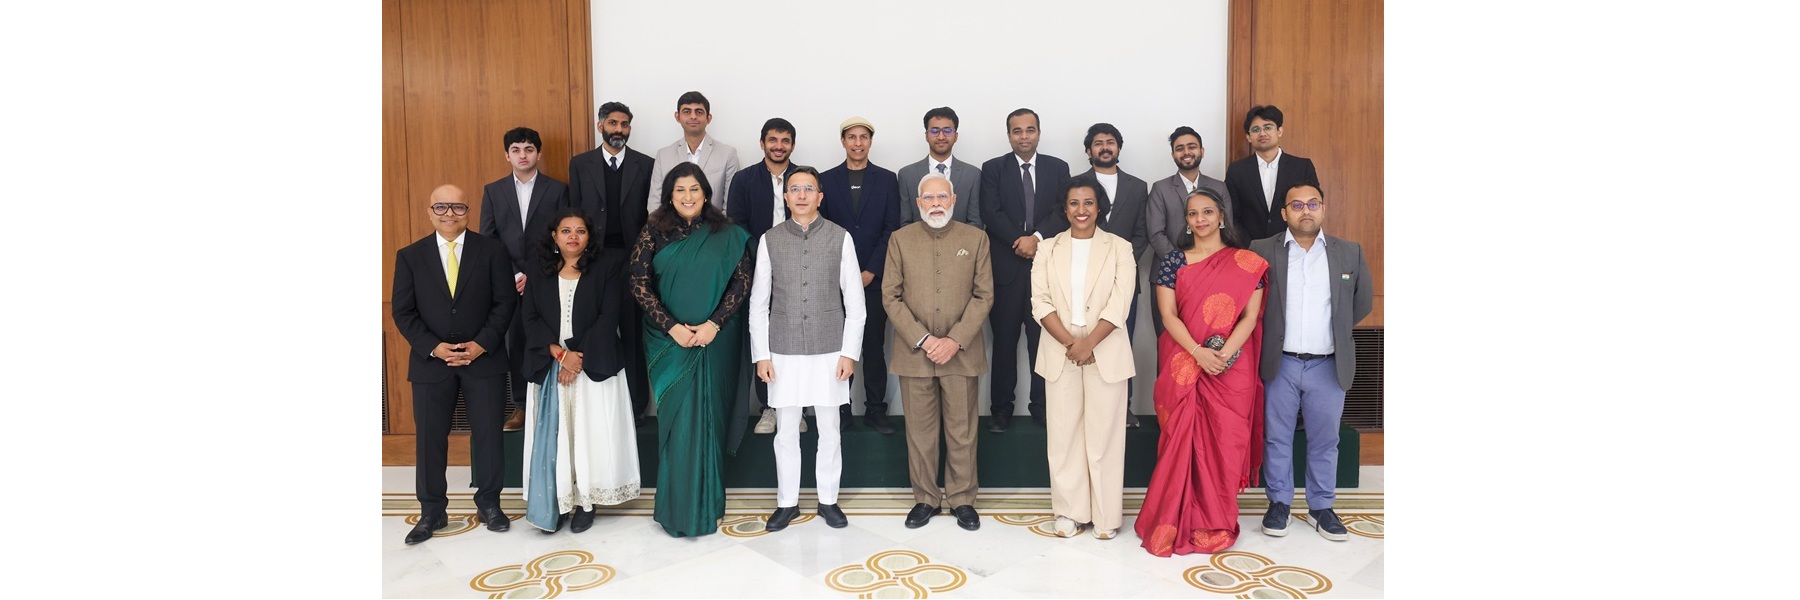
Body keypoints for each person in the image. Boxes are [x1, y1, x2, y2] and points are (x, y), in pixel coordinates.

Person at [1135, 187, 1270, 556]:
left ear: (1222, 216)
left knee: (1224, 445)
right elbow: (1168, 316)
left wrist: (1223, 353)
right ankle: (1171, 521)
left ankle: (1216, 521)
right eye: (1193, 214)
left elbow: (1250, 316)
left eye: (1207, 212)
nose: (1200, 220)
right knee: (1180, 442)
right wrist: (1198, 353)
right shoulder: (1174, 261)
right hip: (1184, 364)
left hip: (1231, 367)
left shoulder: (1247, 262)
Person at [628, 161, 753, 538]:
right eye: (680, 190)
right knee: (679, 422)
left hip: (716, 341)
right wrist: (673, 328)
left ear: (706, 194)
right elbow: (638, 283)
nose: (687, 197)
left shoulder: (727, 233)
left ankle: (709, 504)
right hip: (669, 342)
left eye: (694, 190)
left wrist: (714, 324)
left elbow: (741, 282)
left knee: (709, 419)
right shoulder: (653, 232)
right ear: (669, 194)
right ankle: (676, 509)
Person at [392, 184, 517, 544]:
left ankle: (490, 504)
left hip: (484, 360)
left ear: (468, 211)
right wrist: (434, 347)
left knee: (489, 436)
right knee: (430, 440)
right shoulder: (410, 256)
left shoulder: (492, 251)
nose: (450, 213)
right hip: (432, 364)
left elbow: (504, 302)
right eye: (442, 207)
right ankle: (432, 511)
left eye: (458, 207)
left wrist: (481, 344)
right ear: (430, 212)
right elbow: (403, 310)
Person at [1251, 182, 1372, 542]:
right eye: (1297, 205)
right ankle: (1279, 504)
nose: (1306, 210)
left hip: (1327, 364)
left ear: (1323, 209)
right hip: (1280, 361)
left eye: (1313, 203)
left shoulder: (1348, 252)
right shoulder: (1261, 250)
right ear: (1285, 212)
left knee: (1325, 439)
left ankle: (1322, 507)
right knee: (1277, 438)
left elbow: (1360, 303)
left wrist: (1333, 330)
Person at [748, 166, 864, 531]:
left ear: (820, 196)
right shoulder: (769, 239)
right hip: (782, 349)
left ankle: (828, 500)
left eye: (808, 189)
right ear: (785, 196)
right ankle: (788, 503)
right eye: (794, 188)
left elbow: (856, 303)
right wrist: (761, 355)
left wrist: (850, 352)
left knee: (830, 428)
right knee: (785, 429)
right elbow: (758, 302)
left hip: (830, 348)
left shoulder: (840, 237)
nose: (801, 195)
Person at [883, 173, 994, 532]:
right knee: (920, 431)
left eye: (941, 197)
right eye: (927, 198)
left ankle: (963, 499)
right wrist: (925, 339)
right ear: (918, 204)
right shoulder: (900, 240)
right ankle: (926, 498)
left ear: (954, 199)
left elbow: (984, 295)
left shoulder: (975, 239)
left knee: (962, 430)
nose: (935, 203)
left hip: (961, 353)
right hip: (915, 353)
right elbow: (891, 296)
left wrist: (954, 339)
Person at [520, 208, 641, 534]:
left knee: (589, 435)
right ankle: (558, 501)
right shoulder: (539, 269)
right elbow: (529, 318)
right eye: (565, 230)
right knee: (559, 438)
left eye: (580, 231)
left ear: (589, 237)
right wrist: (561, 355)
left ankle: (587, 502)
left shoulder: (606, 267)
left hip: (594, 365)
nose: (573, 236)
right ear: (554, 236)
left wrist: (577, 358)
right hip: (550, 366)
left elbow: (608, 316)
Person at [1030, 178, 1137, 540]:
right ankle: (1069, 512)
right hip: (1062, 352)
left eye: (1088, 203)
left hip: (1104, 349)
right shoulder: (1048, 249)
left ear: (1099, 207)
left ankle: (1106, 516)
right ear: (1065, 208)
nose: (1081, 210)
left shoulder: (1120, 248)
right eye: (1074, 203)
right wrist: (1071, 343)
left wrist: (1089, 343)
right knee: (1063, 435)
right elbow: (1040, 301)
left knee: (1104, 436)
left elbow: (1120, 303)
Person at [979, 108, 1071, 432]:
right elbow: (990, 211)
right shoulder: (993, 169)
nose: (1024, 136)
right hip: (1005, 271)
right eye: (1017, 131)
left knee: (1042, 344)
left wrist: (1036, 239)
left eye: (1030, 130)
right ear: (1009, 135)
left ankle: (1041, 407)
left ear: (1039, 133)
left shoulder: (1058, 168)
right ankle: (1000, 411)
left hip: (1046, 272)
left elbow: (1063, 211)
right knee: (1003, 344)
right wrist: (1019, 241)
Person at [569, 101, 657, 423]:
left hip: (634, 261)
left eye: (624, 124)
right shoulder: (580, 165)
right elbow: (575, 212)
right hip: (593, 261)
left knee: (633, 333)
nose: (618, 129)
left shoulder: (645, 165)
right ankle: (598, 408)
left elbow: (651, 215)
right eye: (613, 123)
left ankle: (636, 408)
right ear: (600, 126)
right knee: (595, 330)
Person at [481, 127, 570, 431]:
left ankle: (553, 400)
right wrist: (515, 274)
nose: (523, 155)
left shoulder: (558, 190)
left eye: (529, 149)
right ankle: (521, 406)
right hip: (508, 281)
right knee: (515, 341)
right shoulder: (493, 191)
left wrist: (534, 273)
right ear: (507, 155)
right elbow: (488, 240)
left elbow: (564, 235)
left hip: (546, 277)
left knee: (550, 337)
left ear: (538, 153)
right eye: (516, 150)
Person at [819, 117, 903, 434]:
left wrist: (870, 270)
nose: (857, 143)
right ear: (842, 141)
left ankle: (875, 409)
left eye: (863, 137)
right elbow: (822, 230)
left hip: (874, 279)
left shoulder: (886, 180)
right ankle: (841, 411)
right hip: (835, 282)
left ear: (870, 141)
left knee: (873, 346)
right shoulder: (826, 180)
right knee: (840, 348)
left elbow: (891, 229)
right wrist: (843, 274)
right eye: (851, 137)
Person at [726, 118, 802, 436]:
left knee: (797, 337)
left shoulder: (803, 178)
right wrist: (764, 258)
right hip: (757, 269)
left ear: (792, 145)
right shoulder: (744, 180)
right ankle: (769, 407)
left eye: (785, 141)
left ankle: (797, 407)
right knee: (763, 337)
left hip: (799, 269)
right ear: (762, 143)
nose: (778, 146)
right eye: (773, 140)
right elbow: (736, 226)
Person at [1075, 123, 1150, 428]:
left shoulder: (1137, 186)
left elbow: (1141, 234)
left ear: (1119, 147)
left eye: (1110, 142)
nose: (1104, 147)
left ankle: (1124, 407)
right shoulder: (1076, 184)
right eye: (1097, 143)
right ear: (1088, 150)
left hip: (1123, 282)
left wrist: (1118, 269)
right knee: (1081, 340)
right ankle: (1082, 408)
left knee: (1121, 344)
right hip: (1080, 281)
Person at [1146, 126, 1231, 337]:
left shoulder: (1219, 187)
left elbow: (1227, 227)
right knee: (1169, 342)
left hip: (1214, 275)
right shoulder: (1160, 188)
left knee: (1210, 339)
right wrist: (1183, 266)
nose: (1186, 152)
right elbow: (1156, 234)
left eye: (1191, 147)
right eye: (1180, 148)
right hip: (1169, 277)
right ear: (1173, 154)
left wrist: (1206, 268)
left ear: (1202, 150)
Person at [1225, 105, 1318, 241]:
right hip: (1250, 248)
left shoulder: (1302, 167)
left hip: (1293, 245)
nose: (1262, 133)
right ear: (1248, 137)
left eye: (1268, 127)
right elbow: (1232, 215)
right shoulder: (1236, 171)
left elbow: (1312, 208)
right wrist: (1247, 246)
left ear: (1280, 131)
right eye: (1256, 130)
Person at [647, 91, 740, 212]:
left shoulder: (727, 154)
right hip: (672, 228)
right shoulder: (663, 155)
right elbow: (655, 203)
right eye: (687, 111)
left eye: (699, 112)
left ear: (709, 118)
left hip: (714, 228)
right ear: (677, 117)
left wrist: (717, 230)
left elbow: (731, 205)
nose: (693, 116)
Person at [897, 107, 983, 227]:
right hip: (918, 244)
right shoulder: (907, 175)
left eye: (947, 131)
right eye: (934, 131)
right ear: (926, 136)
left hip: (961, 244)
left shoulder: (972, 175)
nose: (941, 137)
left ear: (956, 136)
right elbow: (905, 222)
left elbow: (975, 222)